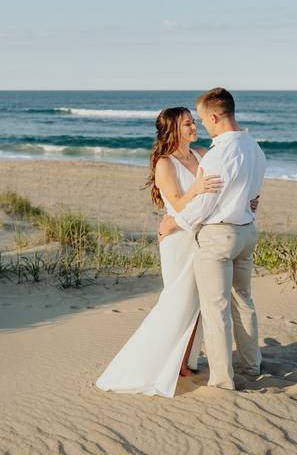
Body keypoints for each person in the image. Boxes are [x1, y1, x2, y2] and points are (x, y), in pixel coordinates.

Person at [95, 107, 222, 397]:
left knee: (198, 303)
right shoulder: (165, 164)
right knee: (179, 301)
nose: (193, 127)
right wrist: (199, 187)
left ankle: (183, 362)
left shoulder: (202, 153)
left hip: (200, 236)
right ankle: (148, 364)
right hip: (178, 240)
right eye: (187, 124)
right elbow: (177, 204)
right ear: (174, 130)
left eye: (193, 122)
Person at [159, 87, 266, 390]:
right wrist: (248, 205)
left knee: (216, 310)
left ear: (215, 116)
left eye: (203, 120)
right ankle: (251, 364)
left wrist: (175, 224)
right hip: (246, 232)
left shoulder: (217, 154)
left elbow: (204, 205)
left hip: (220, 237)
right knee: (243, 302)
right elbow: (254, 193)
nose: (201, 126)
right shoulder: (255, 148)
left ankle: (221, 380)